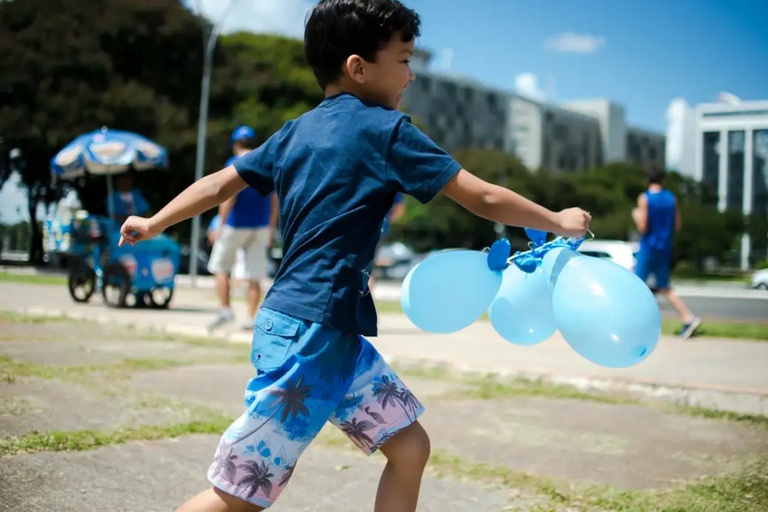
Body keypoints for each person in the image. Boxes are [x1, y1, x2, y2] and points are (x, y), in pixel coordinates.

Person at [118, 1, 591, 510]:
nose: (411, 75)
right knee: (240, 493)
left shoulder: (294, 131)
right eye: (404, 60)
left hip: (327, 330)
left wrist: (155, 221)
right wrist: (558, 219)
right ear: (358, 68)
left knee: (409, 447)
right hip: (311, 336)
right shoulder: (386, 131)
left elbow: (218, 184)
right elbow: (483, 197)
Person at [206, 127, 279, 332]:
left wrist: (219, 225)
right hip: (260, 226)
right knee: (255, 274)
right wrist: (271, 227)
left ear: (235, 145)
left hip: (234, 225)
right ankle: (251, 317)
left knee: (221, 267)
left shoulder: (233, 163)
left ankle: (225, 310)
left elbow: (228, 196)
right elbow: (274, 199)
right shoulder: (265, 163)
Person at [632, 167, 701, 338]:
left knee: (635, 285)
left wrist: (636, 215)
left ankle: (633, 324)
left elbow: (643, 226)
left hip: (648, 247)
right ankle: (688, 318)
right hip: (665, 247)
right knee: (664, 287)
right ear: (663, 181)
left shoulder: (645, 198)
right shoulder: (671, 198)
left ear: (647, 180)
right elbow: (677, 225)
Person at [368, 191, 406, 290]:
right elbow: (399, 209)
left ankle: (367, 282)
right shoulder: (394, 187)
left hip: (366, 226)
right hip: (381, 227)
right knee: (371, 259)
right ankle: (368, 282)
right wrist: (388, 220)